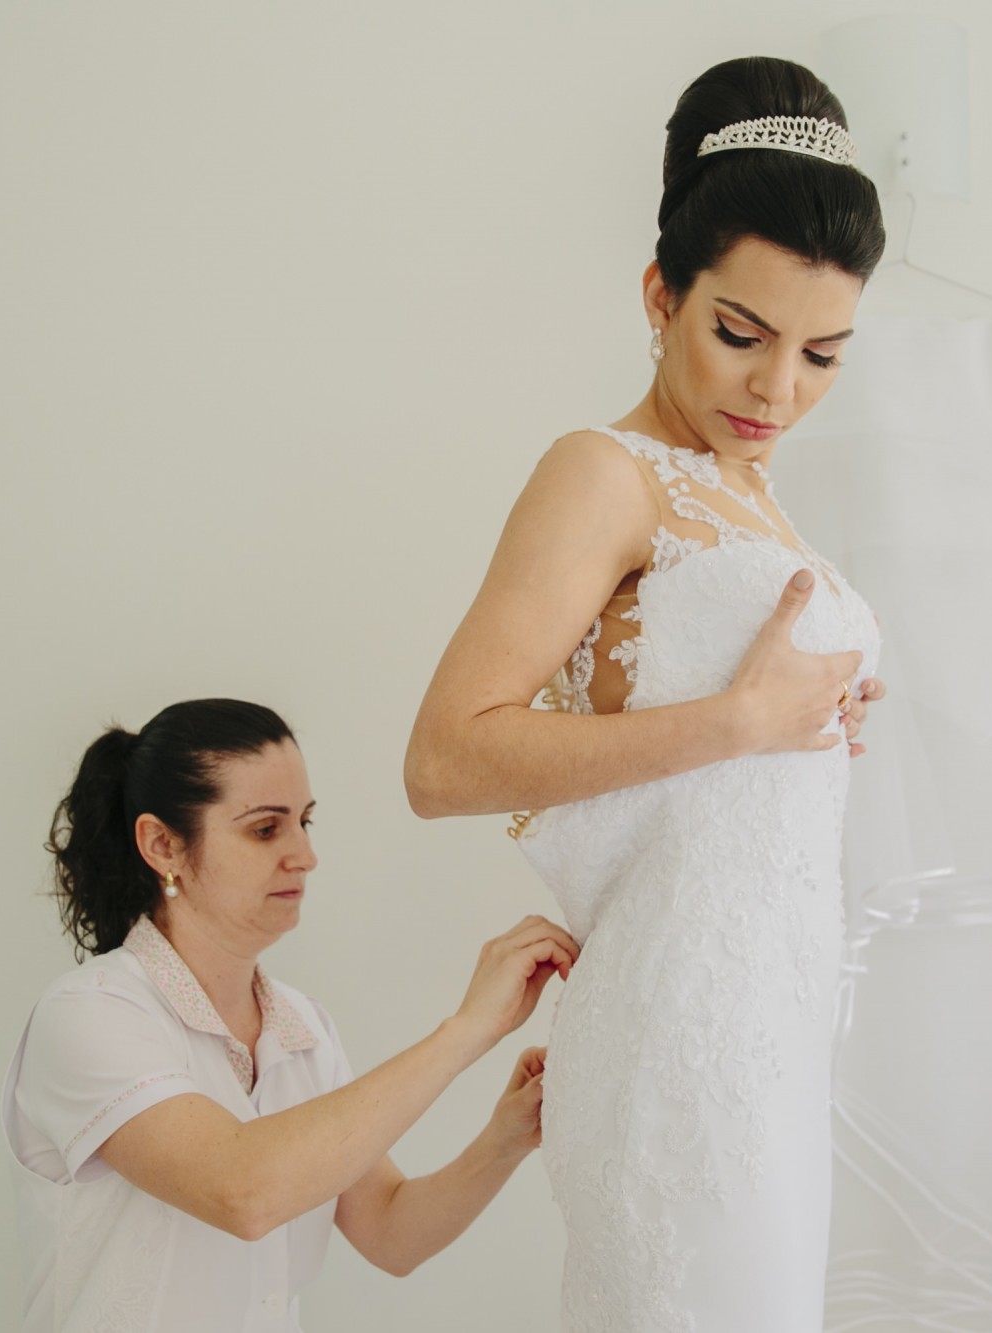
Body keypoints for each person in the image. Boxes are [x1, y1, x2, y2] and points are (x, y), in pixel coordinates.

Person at [403, 57, 890, 1331]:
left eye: (822, 352)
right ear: (659, 295)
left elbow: (701, 740)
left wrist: (812, 722)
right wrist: (740, 722)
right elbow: (444, 759)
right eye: (739, 333)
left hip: (770, 1030)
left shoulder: (753, 492)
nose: (776, 391)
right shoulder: (601, 474)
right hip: (682, 1035)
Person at [1, 697, 579, 1333]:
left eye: (305, 822)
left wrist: (506, 1137)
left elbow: (391, 1231)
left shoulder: (302, 1027)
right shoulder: (90, 1015)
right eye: (265, 828)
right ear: (163, 845)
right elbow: (243, 1191)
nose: (304, 855)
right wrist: (468, 1030)